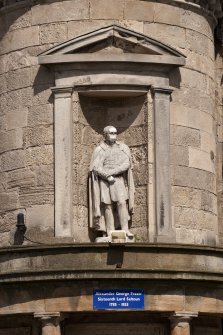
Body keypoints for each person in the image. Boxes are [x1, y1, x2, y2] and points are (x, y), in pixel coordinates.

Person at [89, 126, 135, 238]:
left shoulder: (122, 148)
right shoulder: (100, 149)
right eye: (111, 133)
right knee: (107, 205)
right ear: (105, 135)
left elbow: (126, 163)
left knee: (122, 202)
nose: (114, 135)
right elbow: (95, 167)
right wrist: (106, 175)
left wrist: (112, 172)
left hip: (118, 179)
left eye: (115, 133)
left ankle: (125, 229)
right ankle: (110, 231)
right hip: (105, 181)